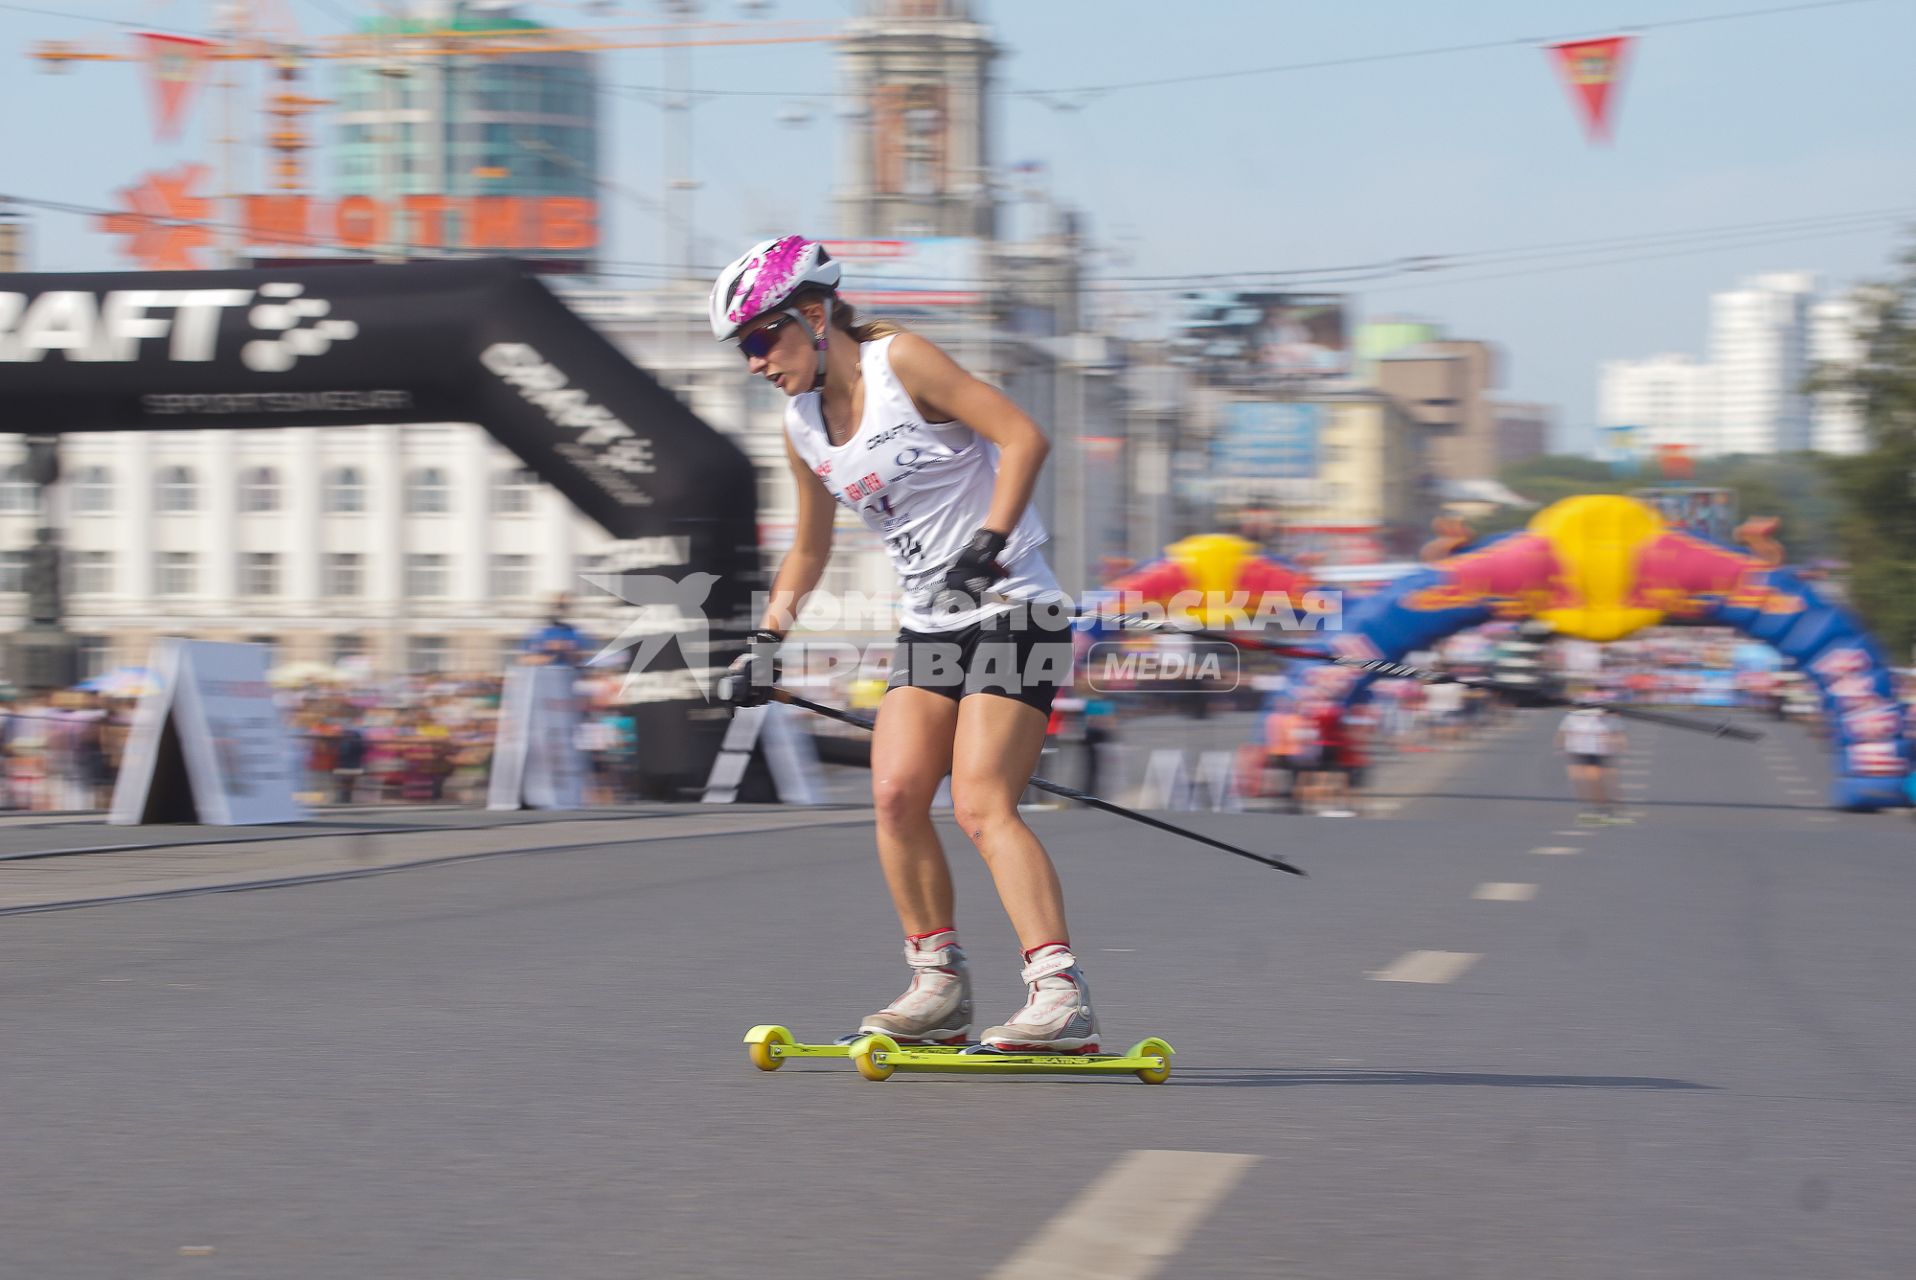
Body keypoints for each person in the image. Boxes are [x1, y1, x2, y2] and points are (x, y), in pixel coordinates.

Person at [711, 235, 1096, 1053]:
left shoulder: (903, 364)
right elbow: (810, 548)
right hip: (929, 622)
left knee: (981, 799)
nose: (753, 361)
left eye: (759, 338)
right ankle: (939, 987)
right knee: (893, 796)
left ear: (814, 317)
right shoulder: (801, 426)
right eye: (742, 347)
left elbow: (1023, 438)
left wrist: (989, 543)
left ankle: (1059, 994)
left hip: (1012, 604)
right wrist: (766, 640)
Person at [1558, 701, 1626, 824]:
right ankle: (1588, 805)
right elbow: (1563, 732)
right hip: (1577, 751)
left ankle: (1604, 805)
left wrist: (1618, 745)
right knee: (1579, 779)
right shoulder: (1571, 717)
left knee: (1595, 779)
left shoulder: (1606, 718)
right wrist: (1561, 746)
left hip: (1596, 752)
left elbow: (1617, 733)